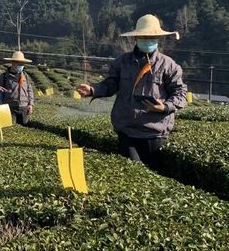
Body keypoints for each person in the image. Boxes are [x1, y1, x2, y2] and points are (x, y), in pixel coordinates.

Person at [76, 14, 187, 166]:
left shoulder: (169, 65)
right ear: (136, 38)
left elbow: (180, 94)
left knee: (151, 176)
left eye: (151, 37)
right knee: (131, 171)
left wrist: (164, 107)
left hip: (154, 133)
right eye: (143, 36)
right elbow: (110, 84)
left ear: (158, 39)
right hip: (126, 131)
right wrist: (92, 90)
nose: (147, 40)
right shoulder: (122, 62)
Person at [0, 50, 35, 125]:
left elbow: (29, 91)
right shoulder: (4, 76)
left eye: (22, 63)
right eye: (19, 63)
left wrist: (31, 104)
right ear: (13, 63)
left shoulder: (25, 76)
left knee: (24, 127)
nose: (21, 65)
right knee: (10, 127)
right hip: (9, 108)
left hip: (24, 107)